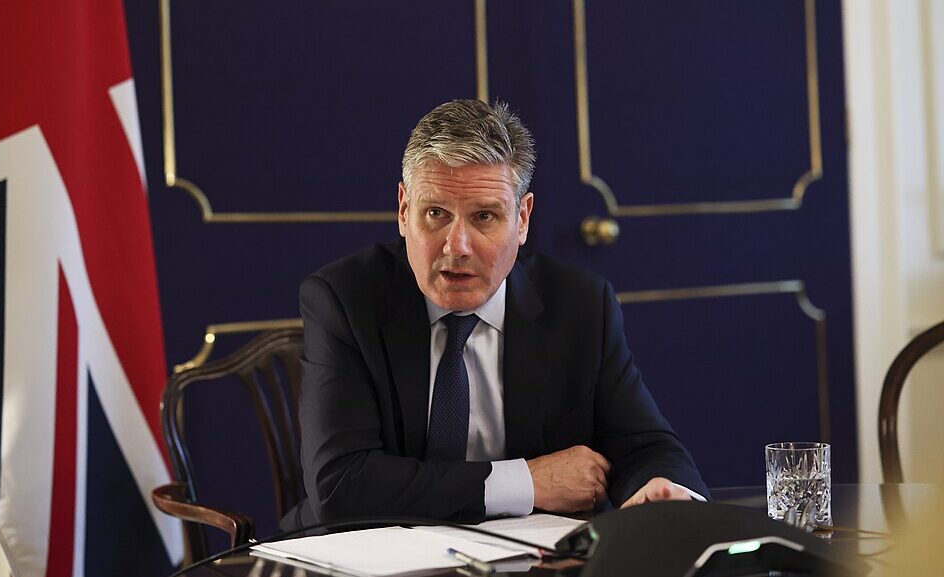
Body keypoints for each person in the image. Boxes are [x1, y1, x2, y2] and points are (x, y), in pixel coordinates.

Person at [280, 99, 708, 530]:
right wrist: (528, 482)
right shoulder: (346, 299)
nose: (457, 246)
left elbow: (643, 443)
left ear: (522, 219)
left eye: (484, 216)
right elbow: (342, 487)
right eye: (435, 214)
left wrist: (662, 484)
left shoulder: (579, 306)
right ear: (403, 210)